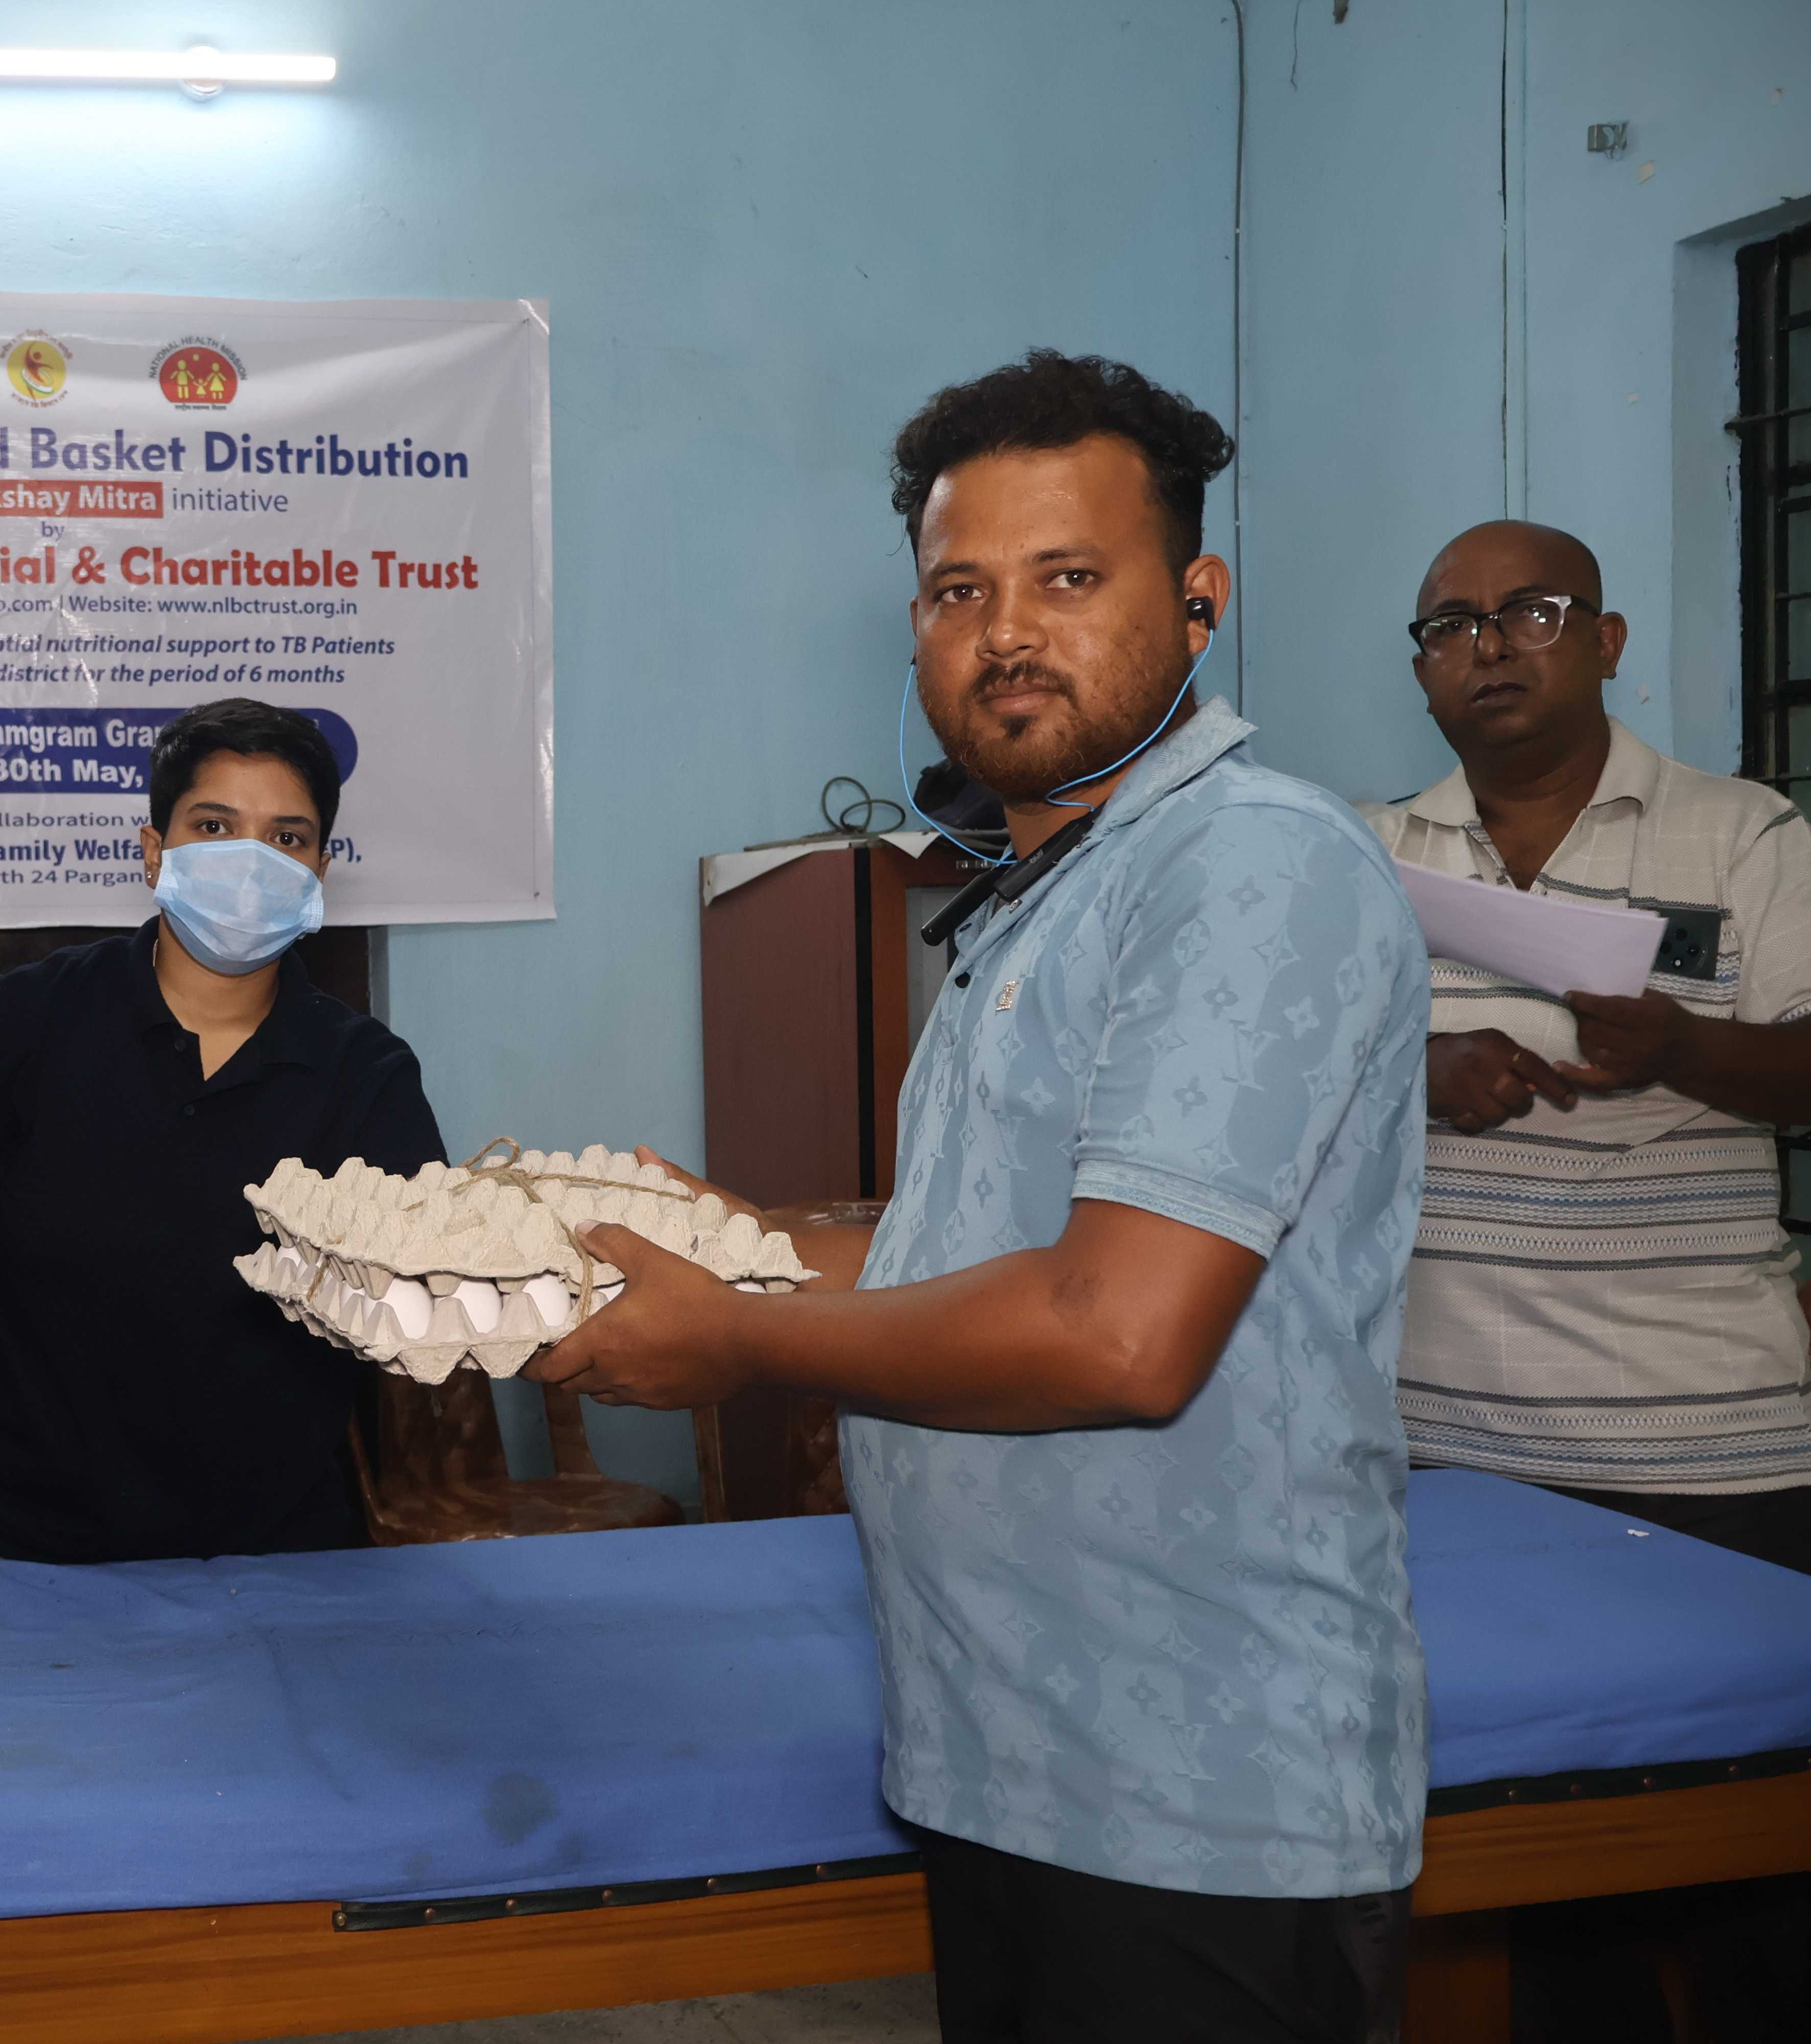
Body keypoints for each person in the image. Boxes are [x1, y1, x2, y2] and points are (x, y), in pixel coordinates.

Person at [531, 353, 1429, 2043]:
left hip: (1201, 1803)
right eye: (962, 592)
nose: (1007, 633)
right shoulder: (1035, 897)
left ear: (1201, 601)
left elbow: (1117, 1335)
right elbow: (957, 1253)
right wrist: (718, 1239)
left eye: (1069, 578)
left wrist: (737, 1335)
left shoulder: (1250, 861)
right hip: (1008, 1759)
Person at [0, 697, 443, 1574]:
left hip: (268, 1568)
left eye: (287, 838)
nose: (251, 861)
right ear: (154, 852)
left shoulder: (363, 1074)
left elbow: (426, 1296)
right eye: (214, 826)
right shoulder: (35, 1019)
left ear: (320, 871)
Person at [1365, 520, 1811, 1576]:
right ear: (1423, 673)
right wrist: (1412, 1075)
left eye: (1532, 613)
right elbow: (1269, 1091)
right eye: (1451, 626)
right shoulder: (1366, 855)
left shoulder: (1746, 834)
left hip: (1706, 1447)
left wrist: (1683, 1049)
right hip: (1430, 1446)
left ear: (1607, 642)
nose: (1489, 646)